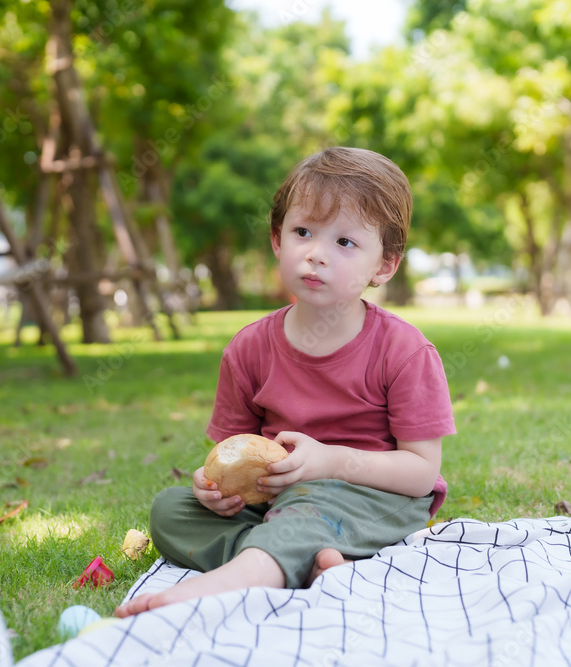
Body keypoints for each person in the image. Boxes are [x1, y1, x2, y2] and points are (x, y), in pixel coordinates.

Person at [115, 147, 456, 618]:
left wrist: (330, 462)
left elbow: (420, 473)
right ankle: (301, 561)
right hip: (278, 501)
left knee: (308, 502)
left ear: (385, 265)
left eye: (345, 243)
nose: (316, 254)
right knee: (170, 511)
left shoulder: (403, 351)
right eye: (303, 232)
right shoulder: (249, 348)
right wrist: (213, 489)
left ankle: (230, 582)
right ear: (278, 239)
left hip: (378, 499)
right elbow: (233, 452)